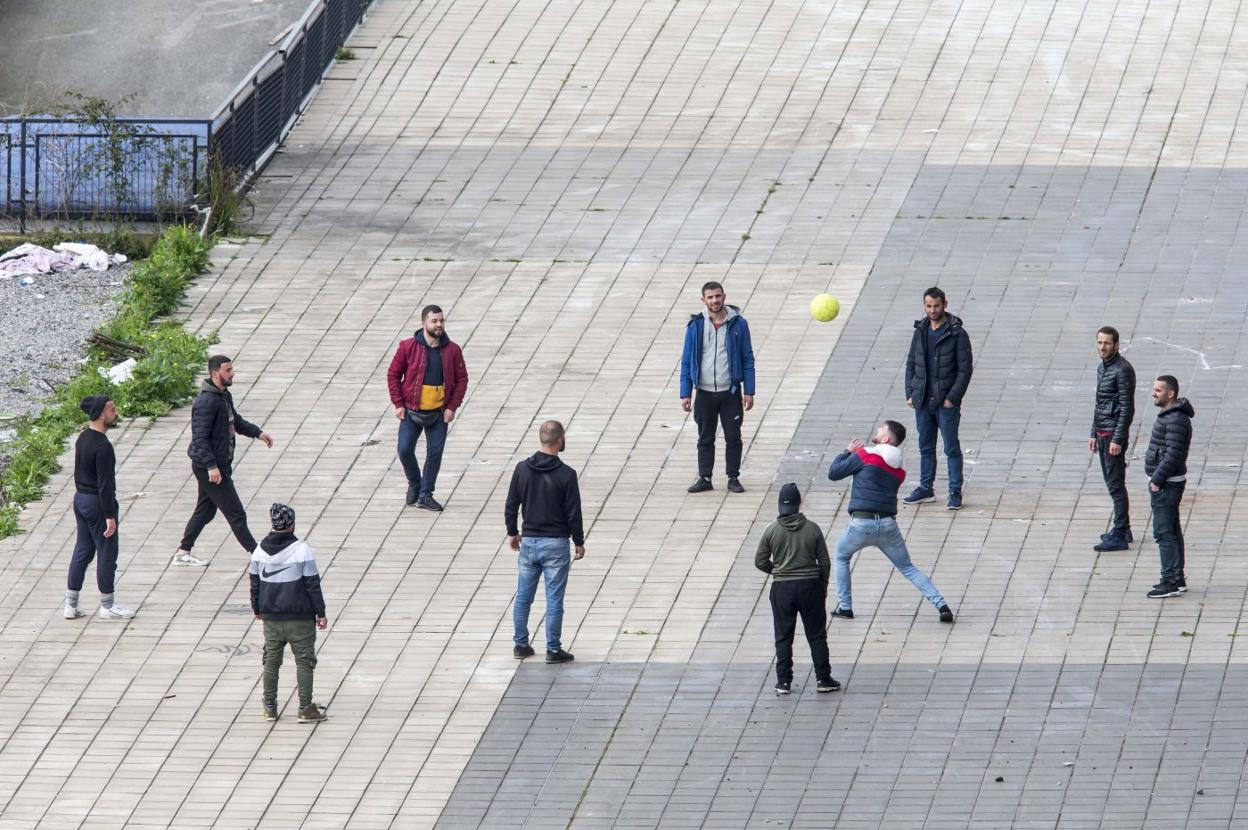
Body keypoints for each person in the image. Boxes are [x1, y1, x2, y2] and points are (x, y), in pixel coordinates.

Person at [828, 420, 954, 623]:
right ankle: (942, 605)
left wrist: (847, 451)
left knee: (842, 557)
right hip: (887, 524)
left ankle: (845, 607)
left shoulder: (865, 455)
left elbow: (833, 473)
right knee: (908, 567)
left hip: (860, 522)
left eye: (880, 429)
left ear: (886, 438)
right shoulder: (900, 470)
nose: (877, 430)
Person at [175, 356, 273, 565]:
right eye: (228, 370)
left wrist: (258, 433)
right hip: (209, 467)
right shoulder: (206, 402)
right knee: (235, 512)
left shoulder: (223, 396)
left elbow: (235, 421)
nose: (232, 374)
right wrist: (212, 466)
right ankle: (258, 554)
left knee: (206, 511)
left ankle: (183, 552)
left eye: (231, 369)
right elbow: (199, 439)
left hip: (218, 465)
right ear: (215, 374)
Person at [505, 420, 584, 664]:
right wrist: (578, 541)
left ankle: (520, 644)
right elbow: (573, 512)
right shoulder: (566, 474)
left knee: (523, 597)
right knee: (554, 600)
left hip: (529, 542)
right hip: (556, 544)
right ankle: (553, 649)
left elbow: (511, 504)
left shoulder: (522, 469)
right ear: (560, 441)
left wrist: (513, 532)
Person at [755, 483, 840, 696]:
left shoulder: (771, 530)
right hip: (810, 586)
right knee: (816, 635)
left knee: (783, 635)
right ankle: (823, 678)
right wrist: (823, 584)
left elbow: (760, 561)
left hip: (782, 588)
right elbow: (825, 562)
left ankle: (783, 681)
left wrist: (777, 570)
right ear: (799, 502)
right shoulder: (812, 528)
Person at [250, 503, 328, 722]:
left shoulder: (258, 551)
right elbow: (312, 584)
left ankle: (269, 707)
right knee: (304, 662)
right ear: (291, 524)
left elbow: (255, 583)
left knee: (271, 661)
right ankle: (305, 708)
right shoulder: (302, 550)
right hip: (300, 618)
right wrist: (320, 613)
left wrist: (257, 608)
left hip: (271, 619)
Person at [387, 304, 468, 512]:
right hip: (411, 411)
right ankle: (415, 483)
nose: (439, 324)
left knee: (435, 453)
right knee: (404, 450)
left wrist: (452, 407)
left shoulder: (452, 350)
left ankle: (425, 494)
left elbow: (462, 380)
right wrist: (398, 404)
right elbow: (393, 375)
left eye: (441, 320)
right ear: (424, 323)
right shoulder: (407, 347)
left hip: (438, 414)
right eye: (434, 321)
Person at [679, 281, 756, 494]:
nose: (715, 300)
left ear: (724, 296)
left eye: (718, 296)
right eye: (710, 297)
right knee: (705, 436)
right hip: (703, 392)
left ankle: (733, 477)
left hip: (729, 392)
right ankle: (705, 477)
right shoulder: (695, 326)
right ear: (703, 300)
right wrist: (685, 392)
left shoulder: (738, 324)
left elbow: (747, 358)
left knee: (733, 436)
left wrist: (749, 390)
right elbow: (687, 360)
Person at [66, 395, 136, 620]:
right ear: (100, 414)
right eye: (111, 409)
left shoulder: (83, 438)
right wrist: (109, 515)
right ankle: (107, 604)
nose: (115, 412)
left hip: (80, 500)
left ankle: (71, 604)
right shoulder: (103, 446)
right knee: (107, 552)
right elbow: (105, 485)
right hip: (97, 503)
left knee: (83, 550)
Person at [903, 287, 973, 510]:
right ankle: (926, 488)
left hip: (945, 403)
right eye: (928, 306)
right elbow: (911, 363)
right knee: (925, 446)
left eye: (936, 306)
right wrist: (910, 393)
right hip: (922, 400)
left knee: (951, 448)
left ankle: (954, 492)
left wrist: (952, 398)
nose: (932, 310)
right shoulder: (920, 331)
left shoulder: (957, 334)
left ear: (945, 304)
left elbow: (965, 370)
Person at [1144, 376, 1194, 599]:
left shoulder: (1174, 420)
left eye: (1158, 390)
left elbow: (1173, 454)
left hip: (1167, 483)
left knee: (1163, 532)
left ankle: (1170, 580)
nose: (1154, 393)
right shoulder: (1171, 416)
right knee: (1172, 530)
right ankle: (1177, 578)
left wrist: (1156, 479)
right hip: (1169, 481)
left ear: (1170, 393)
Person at [1090, 326, 1136, 552]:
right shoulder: (1103, 368)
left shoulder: (1122, 370)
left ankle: (1119, 532)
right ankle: (1123, 528)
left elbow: (1127, 408)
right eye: (1099, 342)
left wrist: (1118, 439)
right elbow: (1099, 403)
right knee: (1113, 482)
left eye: (1107, 343)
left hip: (1112, 436)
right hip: (1102, 432)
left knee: (1115, 485)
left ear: (1117, 344)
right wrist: (1093, 432)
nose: (1102, 347)